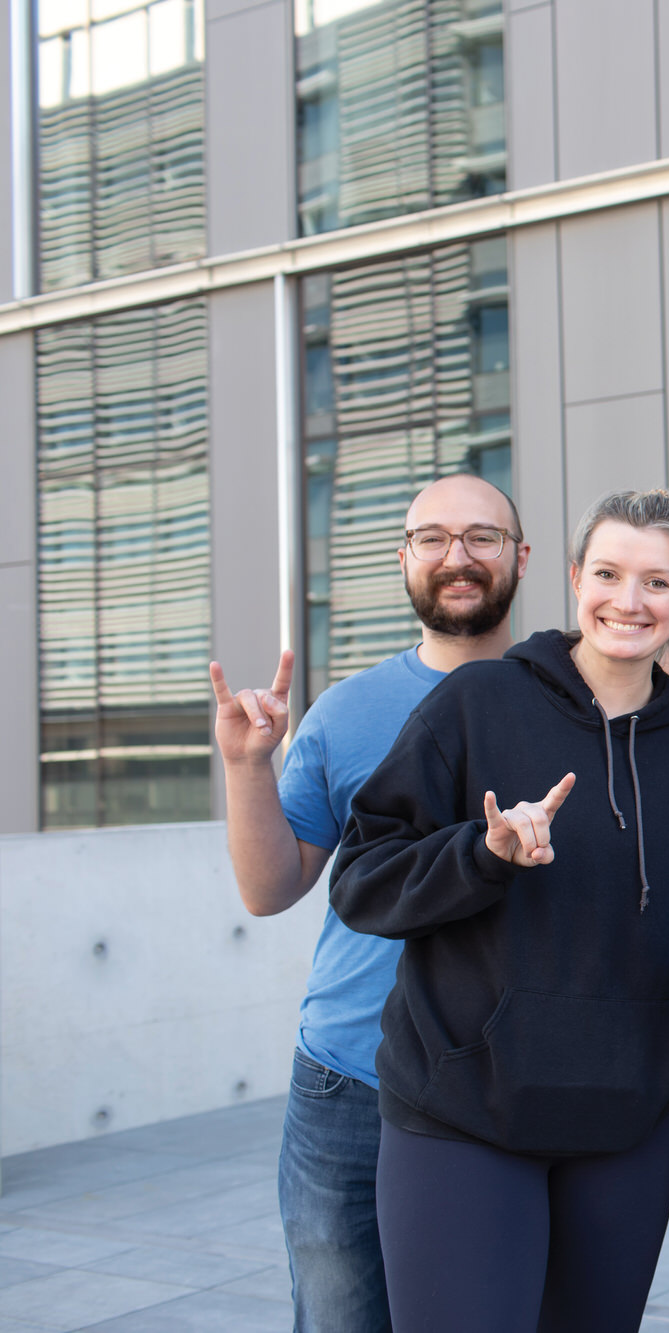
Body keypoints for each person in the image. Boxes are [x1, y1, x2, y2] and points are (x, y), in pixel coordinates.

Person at [329, 490, 669, 1333]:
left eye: (657, 582)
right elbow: (362, 878)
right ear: (575, 578)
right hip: (463, 1114)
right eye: (609, 573)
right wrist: (482, 857)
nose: (629, 601)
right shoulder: (478, 702)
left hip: (627, 1124)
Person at [209, 472, 527, 1333]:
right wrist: (247, 768)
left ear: (522, 557)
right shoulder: (345, 711)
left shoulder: (569, 696)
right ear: (403, 560)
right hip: (348, 1076)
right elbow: (270, 888)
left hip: (502, 1078)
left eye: (482, 537)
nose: (456, 557)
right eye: (432, 538)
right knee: (343, 1317)